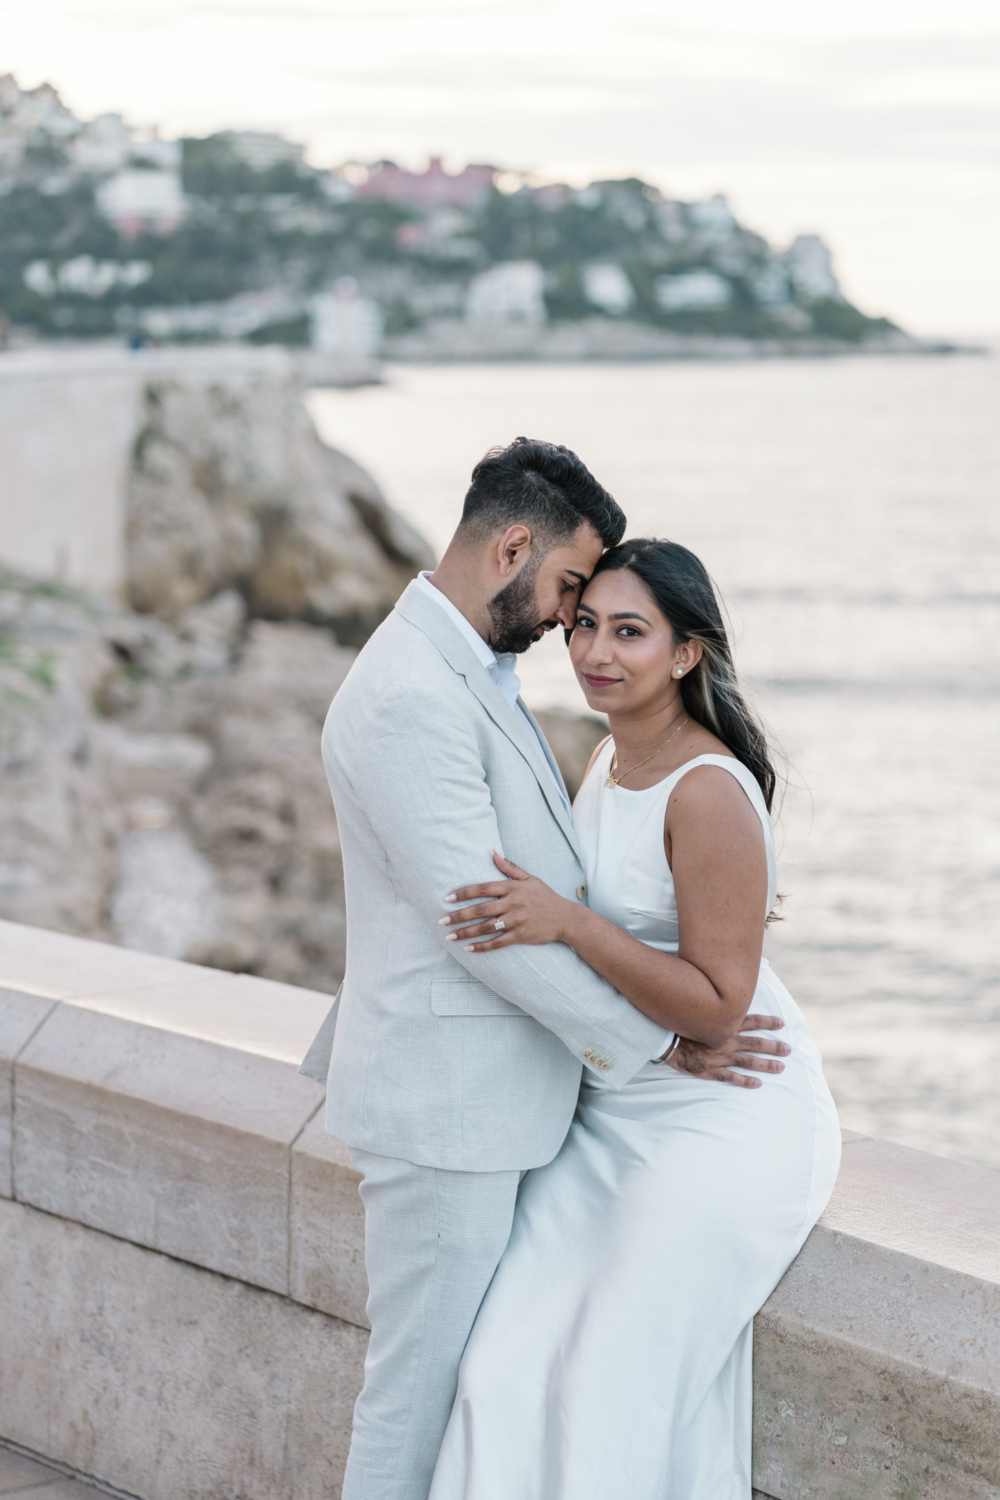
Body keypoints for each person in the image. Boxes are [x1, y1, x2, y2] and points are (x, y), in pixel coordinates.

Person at [299, 443, 792, 1500]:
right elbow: (486, 924)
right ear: (511, 547)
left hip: (509, 1107)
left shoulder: (464, 671)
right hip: (447, 1108)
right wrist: (664, 1039)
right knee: (417, 1395)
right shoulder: (408, 694)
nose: (571, 630)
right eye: (572, 594)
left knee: (477, 1388)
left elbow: (560, 897)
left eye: (613, 620)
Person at [427, 536, 842, 1500]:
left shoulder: (707, 793)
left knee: (608, 1381)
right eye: (582, 627)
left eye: (629, 632)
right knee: (503, 1365)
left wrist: (568, 925)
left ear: (687, 652)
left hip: (725, 1108)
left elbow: (718, 1006)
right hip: (622, 1098)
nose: (594, 653)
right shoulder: (614, 757)